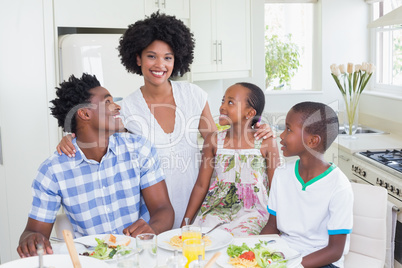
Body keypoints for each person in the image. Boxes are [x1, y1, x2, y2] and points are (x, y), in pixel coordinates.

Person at [56, 12, 273, 228]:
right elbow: (99, 140)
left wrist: (256, 129)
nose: (160, 64)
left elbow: (221, 142)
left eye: (168, 57)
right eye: (151, 56)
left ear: (176, 59)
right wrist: (71, 138)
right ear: (138, 58)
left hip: (202, 204)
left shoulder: (193, 94)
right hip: (154, 208)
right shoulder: (126, 109)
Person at [17, 73, 174, 258]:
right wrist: (31, 240)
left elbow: (163, 210)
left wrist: (151, 228)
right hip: (91, 261)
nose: (117, 106)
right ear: (84, 113)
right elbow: (33, 232)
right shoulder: (53, 171)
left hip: (140, 256)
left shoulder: (139, 149)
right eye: (107, 102)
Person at [260, 101, 353, 268]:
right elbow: (272, 226)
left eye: (288, 129)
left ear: (312, 141)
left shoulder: (339, 186)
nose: (281, 135)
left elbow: (335, 250)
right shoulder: (282, 174)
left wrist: (291, 266)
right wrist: (253, 250)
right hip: (286, 253)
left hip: (323, 261)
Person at [182, 82, 280, 236]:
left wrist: (278, 224)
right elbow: (201, 185)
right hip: (216, 210)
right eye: (222, 101)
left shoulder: (266, 143)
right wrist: (185, 222)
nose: (222, 107)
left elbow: (277, 188)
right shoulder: (213, 140)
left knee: (241, 242)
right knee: (203, 239)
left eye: (230, 102)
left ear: (249, 113)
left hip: (254, 212)